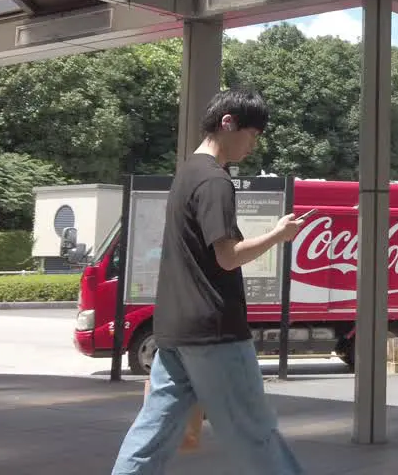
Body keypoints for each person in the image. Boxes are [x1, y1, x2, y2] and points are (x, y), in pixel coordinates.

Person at [111, 88, 306, 474]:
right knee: (254, 430)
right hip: (215, 331)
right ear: (228, 123)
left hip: (173, 331)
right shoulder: (216, 181)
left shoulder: (186, 173)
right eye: (252, 134)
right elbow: (228, 256)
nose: (253, 144)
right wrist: (278, 235)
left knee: (152, 434)